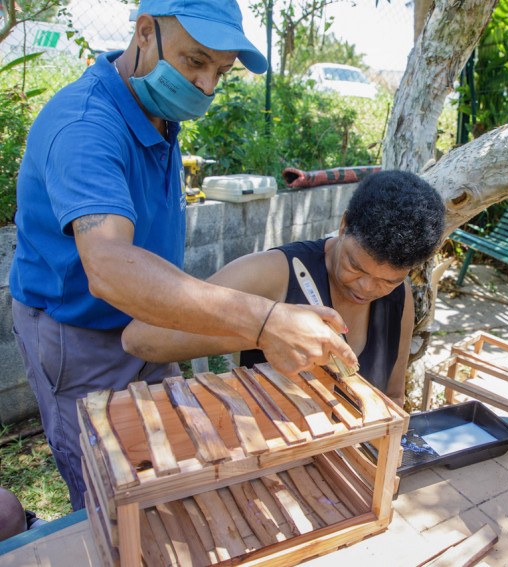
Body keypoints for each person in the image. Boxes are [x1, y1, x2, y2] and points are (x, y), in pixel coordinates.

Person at [9, 0, 356, 511]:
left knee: (170, 464)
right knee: (109, 489)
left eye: (220, 71)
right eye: (195, 61)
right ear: (145, 32)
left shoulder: (154, 102)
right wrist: (263, 320)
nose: (207, 86)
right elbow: (109, 268)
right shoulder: (84, 127)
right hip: (78, 333)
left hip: (147, 320)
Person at [122, 171, 446, 407]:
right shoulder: (274, 273)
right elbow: (142, 338)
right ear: (344, 225)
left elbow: (391, 396)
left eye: (387, 280)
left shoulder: (399, 297)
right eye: (355, 266)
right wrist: (266, 325)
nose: (367, 287)